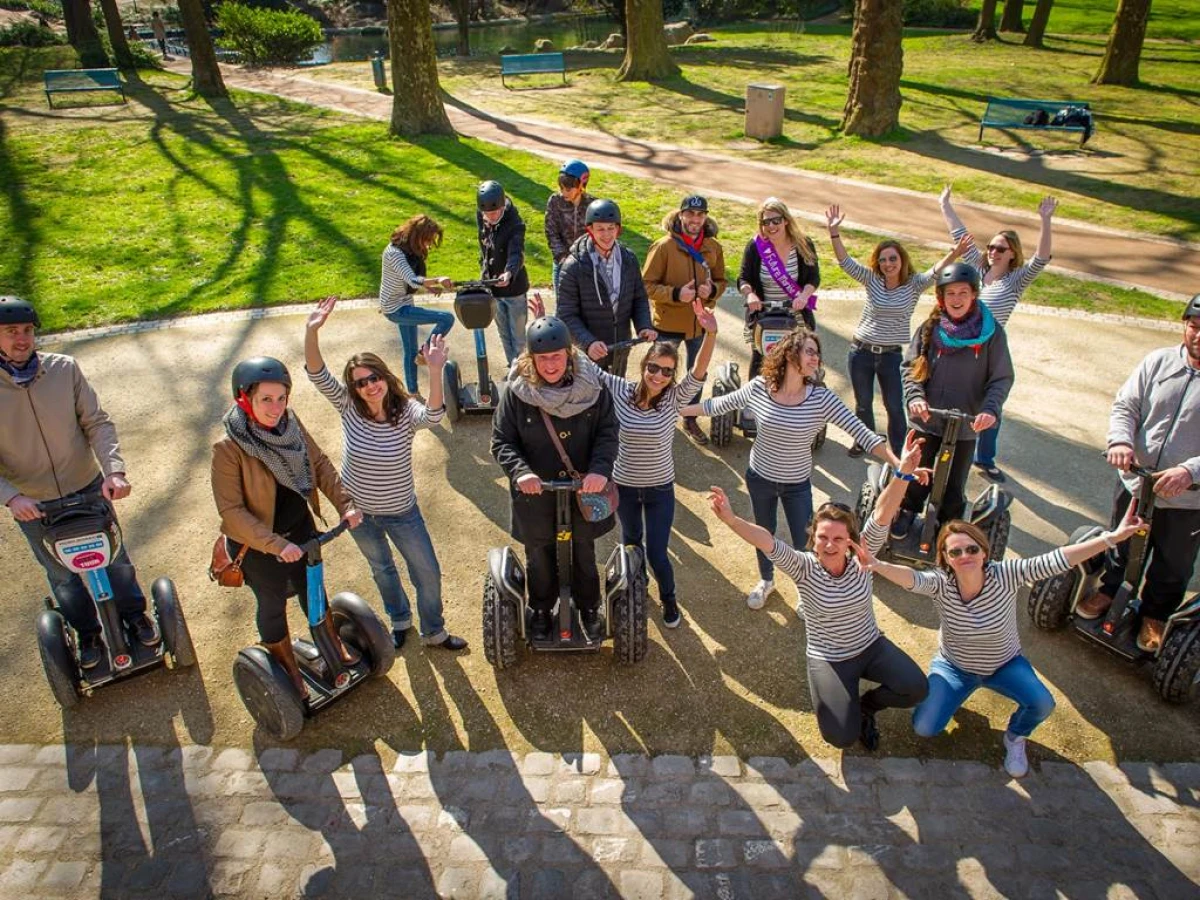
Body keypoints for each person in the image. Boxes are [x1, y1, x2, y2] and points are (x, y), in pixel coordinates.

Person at [858, 503, 1144, 777]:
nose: (965, 555)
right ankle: (953, 696)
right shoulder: (941, 584)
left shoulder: (1007, 575)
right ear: (945, 558)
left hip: (1004, 665)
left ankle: (1015, 736)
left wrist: (1111, 538)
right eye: (955, 552)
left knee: (1042, 703)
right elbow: (911, 578)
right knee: (924, 727)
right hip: (954, 668)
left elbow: (1059, 559)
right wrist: (877, 564)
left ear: (984, 552)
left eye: (972, 549)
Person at [710, 431, 932, 751]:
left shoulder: (863, 555)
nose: (830, 545)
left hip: (870, 645)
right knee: (840, 736)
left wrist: (903, 474)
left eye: (838, 539)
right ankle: (847, 706)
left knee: (916, 688)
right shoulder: (804, 566)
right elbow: (766, 540)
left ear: (850, 541)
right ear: (813, 537)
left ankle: (867, 706)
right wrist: (731, 519)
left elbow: (883, 513)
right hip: (829, 657)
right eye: (823, 537)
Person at [683, 328, 899, 609]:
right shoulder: (760, 387)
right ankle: (766, 581)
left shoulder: (822, 399)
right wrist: (679, 409)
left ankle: (805, 586)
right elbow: (718, 405)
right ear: (789, 353)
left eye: (817, 354)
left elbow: (864, 434)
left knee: (804, 538)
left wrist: (897, 463)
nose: (816, 358)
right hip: (759, 478)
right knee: (763, 532)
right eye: (810, 351)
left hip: (797, 484)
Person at [1, 296, 159, 670]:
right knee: (63, 575)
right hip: (34, 504)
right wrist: (10, 498)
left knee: (116, 561)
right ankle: (87, 634)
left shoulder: (63, 369)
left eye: (27, 331)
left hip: (87, 488)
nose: (22, 339)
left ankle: (135, 616)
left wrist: (114, 471)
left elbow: (97, 423)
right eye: (10, 332)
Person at [304, 298, 467, 652]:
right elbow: (316, 372)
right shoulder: (348, 406)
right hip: (358, 513)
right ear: (353, 388)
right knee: (382, 570)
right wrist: (311, 330)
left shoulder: (404, 410)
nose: (369, 386)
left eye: (374, 377)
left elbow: (434, 415)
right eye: (360, 382)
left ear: (384, 377)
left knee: (427, 572)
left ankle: (434, 631)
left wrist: (435, 370)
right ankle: (399, 621)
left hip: (402, 511)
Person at [210, 356, 363, 698]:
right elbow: (231, 512)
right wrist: (277, 545)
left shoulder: (291, 425)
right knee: (272, 602)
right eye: (266, 399)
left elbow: (320, 464)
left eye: (281, 398)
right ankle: (288, 668)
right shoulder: (228, 449)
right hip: (260, 546)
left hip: (300, 529)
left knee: (313, 590)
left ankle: (331, 643)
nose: (275, 407)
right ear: (243, 398)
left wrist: (346, 504)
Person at [1075, 295, 1200, 651]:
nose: (1198, 336)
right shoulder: (1158, 362)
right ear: (1184, 325)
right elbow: (1126, 405)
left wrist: (1190, 470)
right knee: (1122, 542)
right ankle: (1110, 590)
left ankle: (1155, 614)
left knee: (1173, 561)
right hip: (1136, 480)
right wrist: (1121, 441)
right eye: (1194, 327)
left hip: (1187, 497)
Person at [582, 299, 716, 628]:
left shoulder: (674, 398)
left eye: (667, 371)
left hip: (659, 489)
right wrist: (579, 344)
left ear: (672, 376)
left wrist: (710, 334)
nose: (659, 375)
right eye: (654, 368)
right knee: (631, 545)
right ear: (644, 366)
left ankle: (669, 599)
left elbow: (698, 372)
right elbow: (589, 370)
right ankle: (636, 591)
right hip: (624, 486)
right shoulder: (620, 390)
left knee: (657, 552)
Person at [491, 317, 620, 641]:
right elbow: (502, 440)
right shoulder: (517, 392)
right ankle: (542, 609)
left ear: (569, 354)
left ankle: (589, 607)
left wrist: (599, 470)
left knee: (584, 550)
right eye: (543, 358)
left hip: (582, 489)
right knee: (540, 555)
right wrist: (520, 472)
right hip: (536, 491)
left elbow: (608, 432)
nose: (550, 364)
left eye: (557, 356)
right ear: (531, 360)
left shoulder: (593, 386)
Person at [825, 204, 969, 458]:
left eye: (892, 258)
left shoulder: (914, 284)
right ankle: (865, 441)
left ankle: (901, 449)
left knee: (894, 405)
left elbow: (936, 271)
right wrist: (834, 232)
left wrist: (956, 252)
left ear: (901, 259)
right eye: (882, 260)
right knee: (863, 404)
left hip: (891, 355)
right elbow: (845, 262)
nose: (888, 263)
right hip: (861, 352)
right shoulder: (872, 280)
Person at [940, 186, 1057, 482]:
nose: (993, 252)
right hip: (960, 343)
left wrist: (1045, 220)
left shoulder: (1015, 280)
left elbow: (1041, 257)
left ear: (1012, 254)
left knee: (991, 401)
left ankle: (985, 456)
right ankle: (948, 443)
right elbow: (959, 235)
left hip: (990, 348)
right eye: (991, 247)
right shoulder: (977, 269)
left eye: (1000, 249)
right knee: (955, 394)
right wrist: (945, 204)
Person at [893, 263, 1014, 541]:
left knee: (955, 482)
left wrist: (989, 409)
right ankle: (908, 509)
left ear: (974, 295)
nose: (957, 299)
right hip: (927, 416)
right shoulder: (930, 328)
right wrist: (915, 397)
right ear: (941, 298)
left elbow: (1001, 378)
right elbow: (911, 368)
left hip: (965, 422)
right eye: (951, 294)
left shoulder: (991, 333)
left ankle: (948, 525)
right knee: (917, 471)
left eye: (963, 293)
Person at [643, 194, 727, 445]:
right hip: (667, 324)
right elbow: (647, 285)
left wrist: (711, 291)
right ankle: (650, 413)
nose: (695, 219)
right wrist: (677, 294)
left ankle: (689, 417)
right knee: (658, 370)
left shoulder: (714, 247)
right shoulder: (663, 247)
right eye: (690, 214)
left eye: (700, 214)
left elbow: (722, 281)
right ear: (680, 215)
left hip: (698, 324)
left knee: (696, 373)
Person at [555, 198, 657, 376]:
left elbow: (639, 298)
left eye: (611, 228)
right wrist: (588, 342)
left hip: (620, 348)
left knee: (617, 397)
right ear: (590, 229)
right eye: (600, 229)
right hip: (589, 355)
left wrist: (644, 325)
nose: (607, 234)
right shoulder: (573, 266)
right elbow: (566, 314)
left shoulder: (629, 259)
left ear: (618, 229)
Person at [737, 197, 820, 379]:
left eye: (776, 220)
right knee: (760, 361)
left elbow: (813, 278)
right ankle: (753, 401)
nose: (771, 226)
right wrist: (750, 294)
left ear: (786, 221)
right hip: (764, 313)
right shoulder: (755, 247)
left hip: (796, 313)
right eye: (766, 222)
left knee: (802, 363)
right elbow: (743, 279)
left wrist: (804, 296)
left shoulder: (803, 244)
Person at [379, 215, 455, 399]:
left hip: (404, 302)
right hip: (396, 308)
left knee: (409, 351)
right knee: (446, 318)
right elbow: (411, 278)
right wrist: (437, 280)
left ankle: (412, 392)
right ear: (417, 235)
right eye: (428, 240)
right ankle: (425, 352)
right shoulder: (394, 253)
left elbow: (413, 276)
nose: (429, 245)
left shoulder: (410, 249)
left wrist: (427, 286)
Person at [477, 180, 531, 366]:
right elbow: (484, 246)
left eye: (494, 213)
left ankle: (523, 371)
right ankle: (513, 369)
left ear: (502, 206)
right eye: (486, 213)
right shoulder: (481, 216)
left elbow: (516, 253)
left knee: (518, 338)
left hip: (514, 289)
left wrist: (509, 272)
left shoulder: (515, 224)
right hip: (493, 287)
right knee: (504, 334)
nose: (490, 217)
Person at [545, 159, 595, 293]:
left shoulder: (593, 205)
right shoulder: (555, 201)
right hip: (562, 265)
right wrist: (562, 257)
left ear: (581, 185)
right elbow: (551, 232)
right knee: (562, 308)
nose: (563, 193)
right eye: (561, 188)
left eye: (568, 189)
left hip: (586, 267)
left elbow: (597, 236)